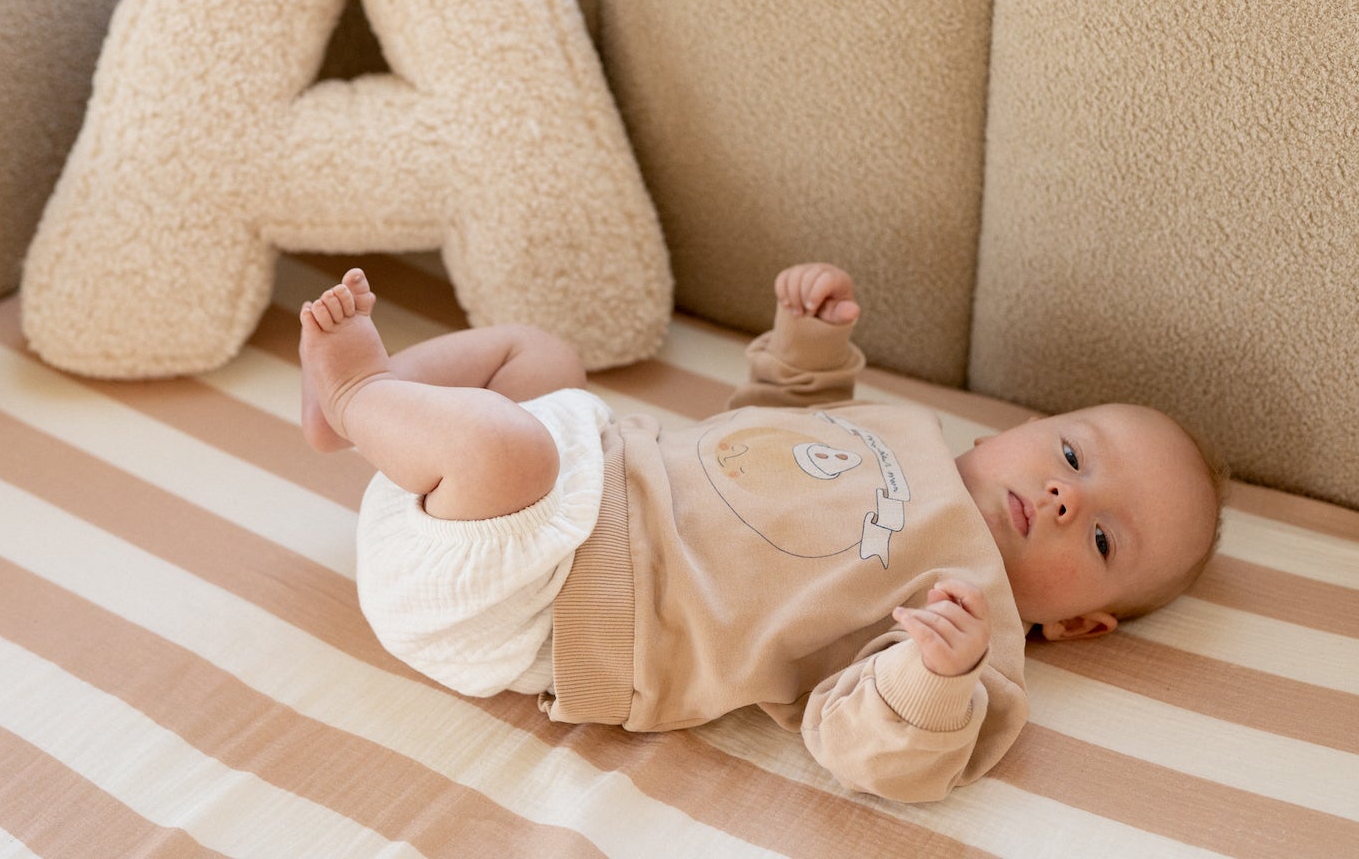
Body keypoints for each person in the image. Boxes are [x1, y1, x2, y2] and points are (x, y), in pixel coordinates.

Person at [298, 262, 1224, 802]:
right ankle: (351, 418)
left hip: (532, 601)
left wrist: (931, 678)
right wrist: (809, 343)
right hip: (570, 470)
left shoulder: (969, 628)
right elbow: (774, 432)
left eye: (1103, 540)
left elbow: (869, 748)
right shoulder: (908, 432)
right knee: (541, 356)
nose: (1067, 498)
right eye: (1071, 454)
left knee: (508, 453)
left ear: (1080, 626)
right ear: (1013, 430)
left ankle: (358, 390)